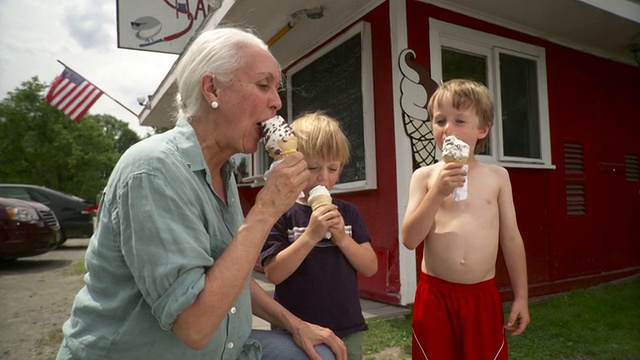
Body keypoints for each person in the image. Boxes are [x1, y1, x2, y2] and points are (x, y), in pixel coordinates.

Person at [56, 27, 347, 360]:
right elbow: (193, 325)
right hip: (140, 351)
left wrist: (293, 323)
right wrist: (266, 210)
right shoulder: (153, 170)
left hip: (224, 350)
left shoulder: (223, 172)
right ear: (212, 88)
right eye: (263, 85)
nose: (277, 101)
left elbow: (228, 273)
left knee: (318, 351)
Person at [401, 79, 530, 360]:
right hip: (435, 296)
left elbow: (510, 238)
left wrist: (521, 296)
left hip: (481, 297)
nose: (447, 128)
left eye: (460, 120)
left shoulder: (497, 177)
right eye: (439, 120)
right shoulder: (424, 178)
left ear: (482, 129)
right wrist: (437, 193)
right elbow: (410, 239)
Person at [259, 112, 378, 360]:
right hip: (295, 332)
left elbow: (370, 266)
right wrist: (310, 236)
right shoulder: (283, 212)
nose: (323, 177)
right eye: (313, 168)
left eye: (332, 168)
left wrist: (342, 238)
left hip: (347, 329)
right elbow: (274, 273)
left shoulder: (348, 212)